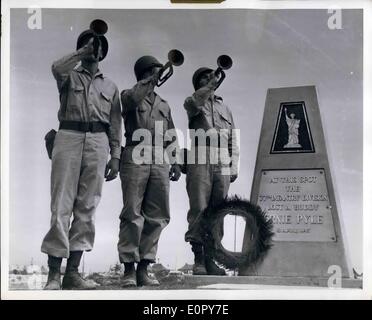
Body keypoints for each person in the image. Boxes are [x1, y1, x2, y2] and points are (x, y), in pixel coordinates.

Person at [41, 26, 122, 290]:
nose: (93, 49)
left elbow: (115, 123)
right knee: (61, 204)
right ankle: (54, 274)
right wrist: (81, 51)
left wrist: (116, 156)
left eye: (96, 46)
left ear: (103, 53)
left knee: (87, 207)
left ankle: (72, 273)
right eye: (88, 45)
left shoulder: (111, 86)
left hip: (98, 142)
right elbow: (56, 68)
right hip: (68, 135)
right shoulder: (68, 76)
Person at [118, 55, 181, 287]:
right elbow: (133, 99)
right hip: (136, 152)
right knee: (132, 212)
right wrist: (148, 82)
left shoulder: (164, 104)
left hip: (160, 157)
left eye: (159, 71)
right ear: (144, 74)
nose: (159, 74)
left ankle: (144, 267)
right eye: (154, 71)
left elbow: (172, 134)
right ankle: (128, 269)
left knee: (157, 214)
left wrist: (175, 161)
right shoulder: (128, 94)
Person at [183, 67, 239, 276]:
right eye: (204, 78)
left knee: (219, 211)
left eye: (211, 77)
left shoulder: (225, 107)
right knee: (199, 208)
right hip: (200, 154)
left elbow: (233, 137)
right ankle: (198, 259)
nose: (210, 79)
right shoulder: (193, 101)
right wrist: (208, 88)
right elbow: (193, 103)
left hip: (222, 157)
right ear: (198, 84)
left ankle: (210, 260)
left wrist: (233, 165)